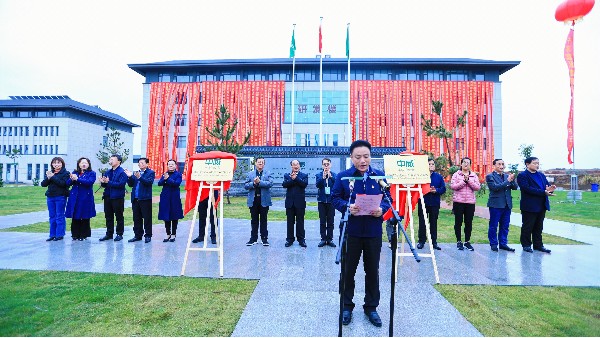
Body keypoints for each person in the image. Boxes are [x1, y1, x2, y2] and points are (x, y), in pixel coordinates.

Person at [332, 140, 390, 328]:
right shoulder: (343, 177)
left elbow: (389, 200)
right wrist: (347, 207)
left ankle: (371, 307)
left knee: (372, 270)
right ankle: (346, 306)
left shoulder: (379, 176)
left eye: (366, 156)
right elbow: (334, 198)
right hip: (351, 232)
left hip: (373, 232)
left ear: (370, 156)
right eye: (358, 157)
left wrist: (382, 209)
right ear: (351, 157)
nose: (363, 160)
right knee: (348, 271)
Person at [517, 156, 555, 253]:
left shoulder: (541, 175)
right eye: (534, 163)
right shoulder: (523, 176)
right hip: (529, 205)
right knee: (528, 226)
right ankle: (526, 245)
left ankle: (538, 245)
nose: (537, 165)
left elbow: (546, 187)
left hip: (541, 205)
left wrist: (550, 189)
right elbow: (527, 189)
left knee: (539, 226)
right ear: (527, 164)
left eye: (538, 163)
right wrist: (543, 192)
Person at [486, 158, 518, 252]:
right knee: (493, 225)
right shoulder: (490, 176)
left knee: (505, 226)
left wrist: (512, 180)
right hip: (496, 205)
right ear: (494, 166)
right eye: (499, 164)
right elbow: (494, 187)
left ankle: (503, 244)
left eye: (503, 164)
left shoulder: (506, 176)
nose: (501, 166)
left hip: (507, 205)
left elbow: (515, 187)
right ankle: (493, 244)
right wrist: (507, 181)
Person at [450, 157, 481, 251]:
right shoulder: (456, 175)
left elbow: (477, 187)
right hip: (458, 202)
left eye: (468, 162)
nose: (466, 164)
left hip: (470, 203)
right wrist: (463, 181)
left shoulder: (474, 175)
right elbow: (453, 186)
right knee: (458, 222)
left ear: (470, 165)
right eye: (464, 162)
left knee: (468, 222)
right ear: (461, 164)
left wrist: (469, 181)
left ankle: (467, 241)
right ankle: (459, 241)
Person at [416, 158, 446, 250]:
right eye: (429, 164)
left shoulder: (438, 177)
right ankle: (421, 241)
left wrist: (436, 190)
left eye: (433, 164)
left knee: (433, 223)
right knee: (422, 223)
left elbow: (443, 189)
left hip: (434, 203)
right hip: (423, 202)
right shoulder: (421, 176)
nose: (431, 166)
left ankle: (434, 242)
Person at [65, 157, 97, 241]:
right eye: (82, 162)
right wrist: (72, 178)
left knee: (85, 215)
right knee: (75, 215)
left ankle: (84, 234)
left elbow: (89, 182)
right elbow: (67, 183)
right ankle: (75, 234)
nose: (84, 164)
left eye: (86, 163)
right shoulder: (75, 172)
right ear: (79, 164)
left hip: (86, 198)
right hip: (75, 197)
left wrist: (78, 179)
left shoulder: (92, 173)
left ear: (88, 164)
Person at [244, 157, 273, 246]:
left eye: (262, 162)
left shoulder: (268, 173)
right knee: (254, 220)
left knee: (264, 220)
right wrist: (253, 183)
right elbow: (245, 185)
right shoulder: (250, 174)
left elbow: (270, 184)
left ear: (264, 164)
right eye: (259, 162)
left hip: (264, 200)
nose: (260, 164)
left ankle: (264, 239)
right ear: (255, 163)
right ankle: (253, 239)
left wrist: (259, 182)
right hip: (253, 200)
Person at [99, 154, 128, 242]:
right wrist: (102, 182)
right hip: (107, 196)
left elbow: (121, 184)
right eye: (110, 159)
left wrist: (108, 182)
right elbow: (105, 185)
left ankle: (119, 234)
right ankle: (109, 233)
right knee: (108, 216)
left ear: (119, 161)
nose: (110, 161)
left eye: (112, 159)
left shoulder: (122, 172)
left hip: (117, 197)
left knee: (119, 216)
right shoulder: (108, 172)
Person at [41, 156, 70, 241]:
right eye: (54, 163)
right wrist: (49, 177)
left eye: (58, 163)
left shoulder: (66, 173)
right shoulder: (51, 173)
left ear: (62, 164)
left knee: (59, 216)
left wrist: (53, 177)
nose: (56, 164)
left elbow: (63, 184)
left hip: (60, 197)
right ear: (52, 164)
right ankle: (52, 234)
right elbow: (43, 184)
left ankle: (60, 234)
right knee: (52, 216)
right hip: (50, 197)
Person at [126, 157, 155, 243]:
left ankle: (148, 235)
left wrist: (140, 178)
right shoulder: (136, 173)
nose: (140, 164)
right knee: (136, 218)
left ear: (147, 164)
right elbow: (131, 185)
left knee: (147, 218)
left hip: (145, 198)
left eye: (142, 163)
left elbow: (149, 182)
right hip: (135, 198)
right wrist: (130, 177)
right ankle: (137, 235)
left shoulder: (151, 172)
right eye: (139, 163)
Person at [283, 159, 309, 248]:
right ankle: (289, 239)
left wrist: (296, 178)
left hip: (300, 202)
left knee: (300, 222)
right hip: (290, 203)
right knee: (290, 222)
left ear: (299, 166)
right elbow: (284, 184)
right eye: (294, 164)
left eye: (297, 164)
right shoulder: (287, 175)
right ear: (291, 166)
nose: (296, 166)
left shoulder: (304, 175)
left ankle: (301, 239)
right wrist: (292, 179)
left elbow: (304, 184)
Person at [157, 159, 184, 243]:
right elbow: (159, 183)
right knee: (166, 216)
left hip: (174, 197)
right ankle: (168, 234)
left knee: (174, 215)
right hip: (165, 197)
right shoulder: (165, 174)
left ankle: (173, 234)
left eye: (172, 164)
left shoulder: (178, 174)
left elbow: (176, 184)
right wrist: (165, 179)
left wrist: (168, 179)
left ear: (175, 166)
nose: (170, 166)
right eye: (169, 164)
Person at [316, 157, 337, 248]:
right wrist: (323, 178)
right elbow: (318, 185)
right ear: (322, 165)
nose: (326, 166)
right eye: (324, 164)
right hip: (322, 200)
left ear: (330, 165)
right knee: (322, 221)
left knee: (331, 221)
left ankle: (330, 239)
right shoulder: (319, 175)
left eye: (327, 164)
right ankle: (323, 239)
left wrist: (331, 177)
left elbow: (337, 185)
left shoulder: (334, 175)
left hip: (331, 201)